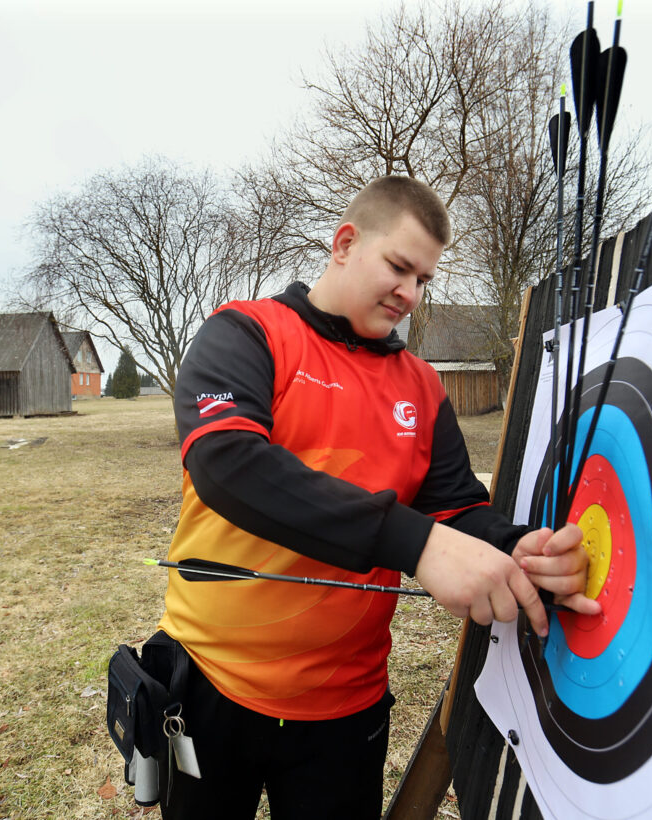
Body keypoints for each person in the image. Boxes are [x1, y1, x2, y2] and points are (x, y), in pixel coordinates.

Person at [152, 175, 598, 818]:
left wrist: (514, 548)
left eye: (424, 280)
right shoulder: (246, 332)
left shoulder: (421, 384)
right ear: (344, 243)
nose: (411, 294)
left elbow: (453, 507)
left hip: (345, 706)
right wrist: (416, 543)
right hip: (212, 685)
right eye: (399, 267)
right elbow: (228, 465)